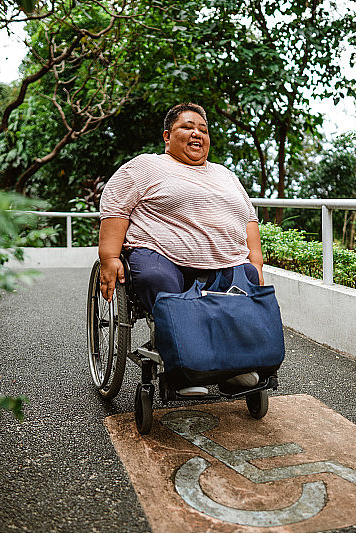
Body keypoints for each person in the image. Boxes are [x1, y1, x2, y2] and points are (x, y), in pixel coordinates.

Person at [98, 103, 264, 395]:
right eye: (187, 127)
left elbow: (249, 218)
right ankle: (185, 367)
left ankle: (233, 367)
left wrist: (257, 264)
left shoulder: (225, 175)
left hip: (222, 261)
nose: (196, 133)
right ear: (167, 135)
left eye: (203, 129)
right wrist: (110, 257)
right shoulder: (146, 166)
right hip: (162, 255)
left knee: (247, 276)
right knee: (156, 278)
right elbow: (116, 205)